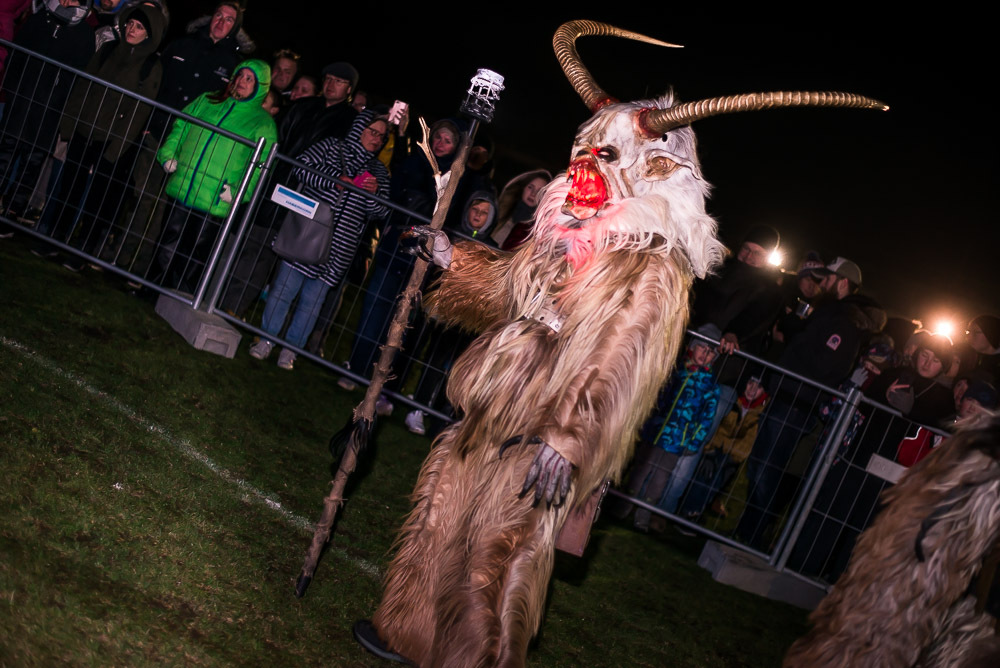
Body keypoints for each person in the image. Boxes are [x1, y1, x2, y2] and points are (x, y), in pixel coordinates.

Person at [735, 256, 886, 551]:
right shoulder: (832, 313)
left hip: (798, 403)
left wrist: (796, 333)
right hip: (788, 396)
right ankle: (748, 531)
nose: (821, 283)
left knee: (767, 468)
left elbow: (829, 366)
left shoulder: (845, 321)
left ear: (843, 283)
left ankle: (753, 536)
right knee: (760, 465)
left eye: (826, 279)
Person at [248, 109, 390, 370]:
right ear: (359, 128)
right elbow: (301, 167)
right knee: (283, 291)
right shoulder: (331, 147)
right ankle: (266, 340)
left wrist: (375, 193)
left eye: (382, 136)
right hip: (305, 234)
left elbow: (380, 212)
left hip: (339, 248)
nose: (377, 139)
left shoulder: (378, 172)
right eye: (373, 132)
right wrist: (333, 180)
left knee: (312, 304)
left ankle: (290, 351)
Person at [44, 3, 163, 269]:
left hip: (110, 141)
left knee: (96, 200)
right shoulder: (109, 49)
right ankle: (54, 239)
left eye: (139, 27)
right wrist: (69, 123)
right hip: (83, 130)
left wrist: (116, 148)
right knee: (68, 189)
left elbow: (139, 111)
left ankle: (83, 251)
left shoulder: (151, 66)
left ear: (150, 33)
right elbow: (84, 84)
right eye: (130, 24)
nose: (132, 29)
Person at [151, 59, 276, 293]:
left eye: (250, 79)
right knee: (168, 240)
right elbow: (181, 125)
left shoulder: (263, 123)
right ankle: (152, 289)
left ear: (261, 86)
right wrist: (168, 154)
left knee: (196, 253)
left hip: (216, 198)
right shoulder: (208, 100)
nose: (242, 81)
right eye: (240, 75)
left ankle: (180, 298)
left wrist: (239, 192)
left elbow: (261, 166)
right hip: (184, 184)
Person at [403, 190, 499, 436]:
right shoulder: (451, 234)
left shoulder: (492, 248)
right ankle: (397, 396)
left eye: (484, 213)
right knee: (417, 350)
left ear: (490, 218)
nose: (477, 216)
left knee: (445, 362)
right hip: (436, 306)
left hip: (463, 315)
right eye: (474, 210)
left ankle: (429, 410)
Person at [619, 324, 721, 532]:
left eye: (711, 352)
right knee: (639, 471)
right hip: (654, 434)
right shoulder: (675, 370)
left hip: (676, 442)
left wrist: (693, 442)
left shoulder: (711, 386)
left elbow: (706, 419)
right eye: (702, 347)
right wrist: (646, 422)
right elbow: (656, 397)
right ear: (692, 347)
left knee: (659, 480)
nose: (705, 354)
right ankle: (622, 508)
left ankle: (643, 516)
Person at [0, 0, 94, 222]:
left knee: (32, 163)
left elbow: (77, 79)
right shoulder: (40, 18)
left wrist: (62, 104)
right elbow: (16, 55)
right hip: (21, 100)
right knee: (4, 153)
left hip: (50, 110)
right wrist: (12, 89)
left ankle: (12, 213)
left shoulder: (84, 34)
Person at [488, 169, 551, 250]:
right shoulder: (498, 212)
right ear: (523, 188)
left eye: (539, 191)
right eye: (530, 187)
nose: (533, 194)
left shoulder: (539, 231)